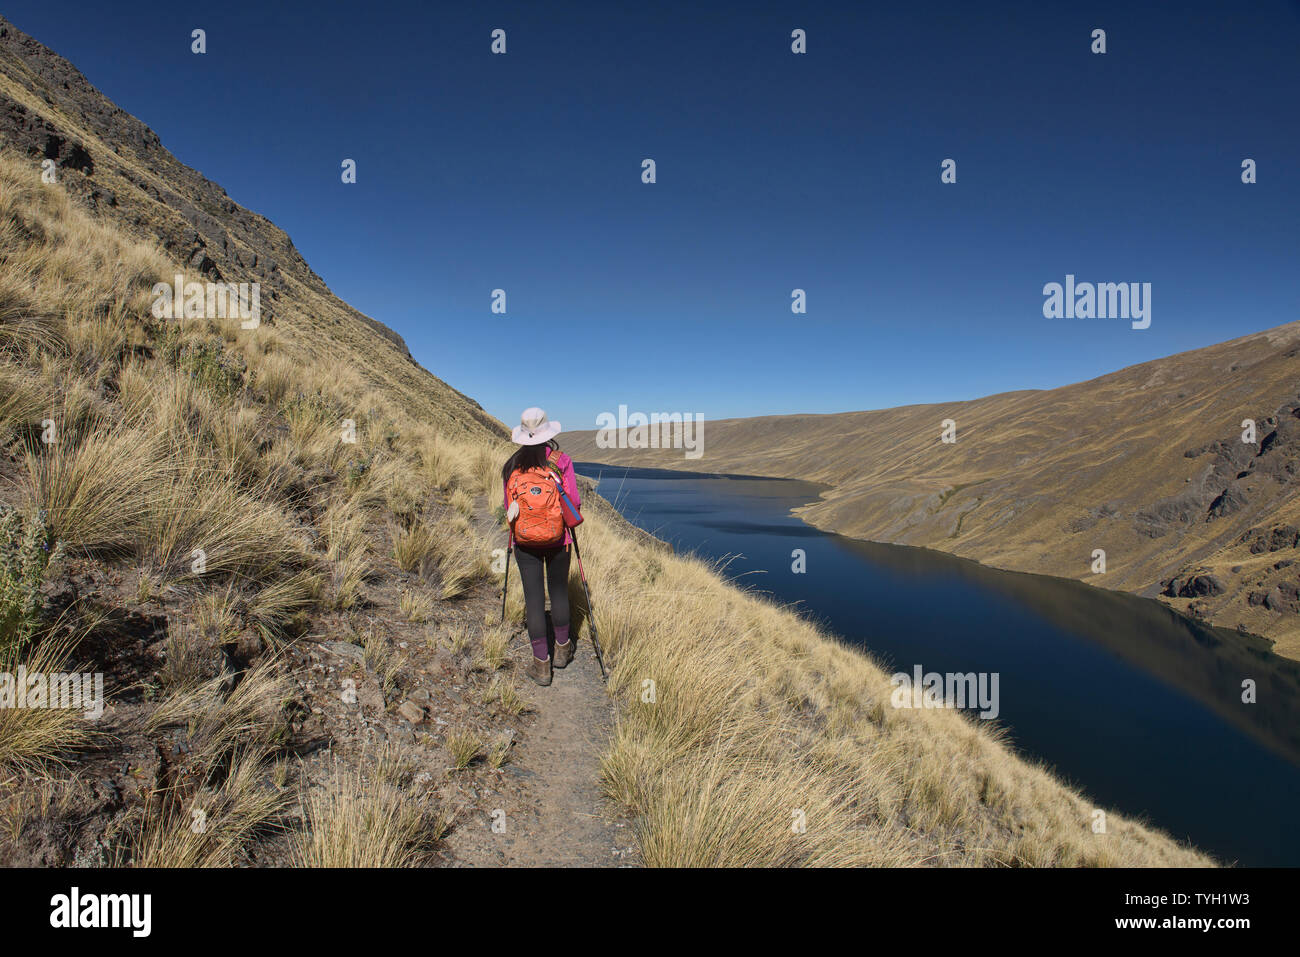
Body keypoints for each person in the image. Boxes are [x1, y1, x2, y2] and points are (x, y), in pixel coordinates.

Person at [502, 407, 581, 686]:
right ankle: (562, 651)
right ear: (548, 433)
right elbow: (574, 503)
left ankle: (541, 666)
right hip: (560, 539)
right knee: (558, 592)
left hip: (525, 542)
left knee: (534, 599)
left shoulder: (511, 466)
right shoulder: (562, 462)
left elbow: (507, 506)